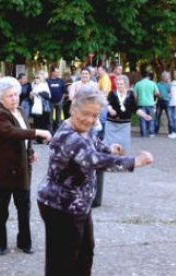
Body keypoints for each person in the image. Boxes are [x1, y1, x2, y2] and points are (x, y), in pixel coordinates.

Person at [37, 87, 154, 276]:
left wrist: (109, 148)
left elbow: (94, 143)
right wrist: (134, 162)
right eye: (85, 114)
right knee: (62, 260)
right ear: (73, 109)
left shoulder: (84, 128)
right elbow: (94, 161)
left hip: (79, 204)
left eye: (95, 115)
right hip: (61, 206)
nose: (90, 120)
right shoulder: (67, 136)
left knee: (85, 252)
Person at [0, 76, 52, 256]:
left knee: (24, 208)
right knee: (1, 211)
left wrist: (30, 151)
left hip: (22, 169)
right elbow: (12, 132)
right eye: (9, 96)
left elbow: (24, 136)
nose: (14, 98)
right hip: (2, 171)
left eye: (16, 94)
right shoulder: (0, 114)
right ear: (0, 98)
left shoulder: (21, 111)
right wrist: (38, 131)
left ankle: (25, 242)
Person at [133, 71, 159, 137]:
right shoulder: (153, 83)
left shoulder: (137, 84)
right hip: (150, 103)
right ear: (149, 77)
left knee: (142, 119)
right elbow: (157, 93)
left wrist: (136, 102)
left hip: (141, 103)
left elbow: (135, 96)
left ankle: (143, 133)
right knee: (151, 118)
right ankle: (151, 133)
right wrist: (153, 95)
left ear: (141, 77)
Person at [47, 66, 66, 132]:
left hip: (59, 102)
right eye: (57, 72)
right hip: (50, 102)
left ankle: (58, 132)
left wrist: (62, 100)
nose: (58, 73)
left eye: (58, 72)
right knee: (50, 119)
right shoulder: (47, 81)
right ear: (52, 72)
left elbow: (64, 92)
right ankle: (50, 132)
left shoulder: (61, 81)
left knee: (59, 119)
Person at [155, 71, 172, 136]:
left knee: (170, 118)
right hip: (160, 101)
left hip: (168, 102)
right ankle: (155, 132)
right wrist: (158, 95)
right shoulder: (158, 84)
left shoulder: (170, 84)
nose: (167, 77)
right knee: (157, 117)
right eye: (165, 76)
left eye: (168, 76)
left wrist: (169, 84)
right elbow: (155, 93)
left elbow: (172, 93)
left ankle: (171, 132)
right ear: (162, 77)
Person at [168, 68, 176, 139]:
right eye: (175, 73)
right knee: (171, 118)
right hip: (171, 103)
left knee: (175, 118)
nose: (175, 75)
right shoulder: (172, 83)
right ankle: (174, 132)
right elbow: (170, 93)